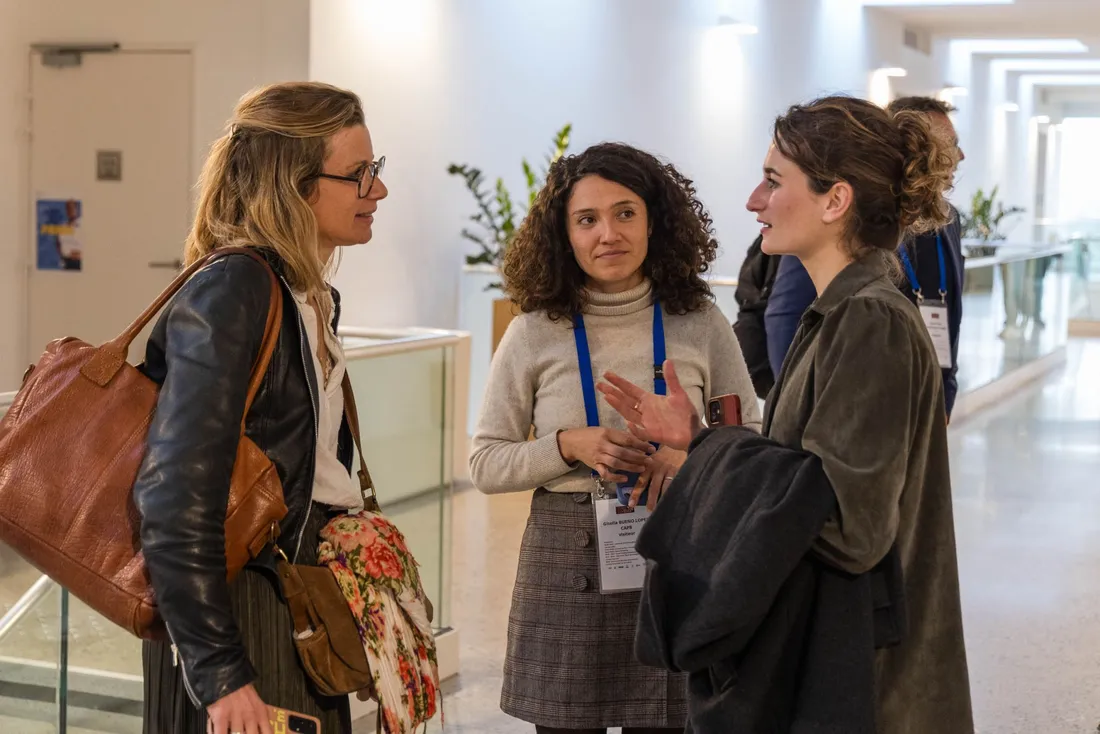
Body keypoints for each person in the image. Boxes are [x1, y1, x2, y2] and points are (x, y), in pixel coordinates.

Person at [599, 96, 973, 733]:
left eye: (773, 181)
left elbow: (849, 526)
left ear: (835, 201)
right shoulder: (841, 311)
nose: (754, 201)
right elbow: (807, 482)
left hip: (867, 684)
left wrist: (707, 451)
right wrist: (699, 442)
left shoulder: (868, 319)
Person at [469, 142, 761, 734]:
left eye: (625, 213)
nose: (608, 234)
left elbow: (748, 435)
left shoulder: (700, 321)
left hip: (677, 553)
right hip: (565, 566)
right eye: (587, 219)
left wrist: (688, 454)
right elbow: (486, 462)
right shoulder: (533, 331)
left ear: (655, 221)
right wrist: (566, 446)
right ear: (564, 234)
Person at [133, 81, 388, 734]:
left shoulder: (306, 297)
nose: (379, 191)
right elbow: (174, 493)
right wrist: (220, 673)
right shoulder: (233, 289)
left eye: (376, 170)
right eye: (360, 174)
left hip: (290, 596)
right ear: (294, 185)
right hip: (235, 612)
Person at [760, 95, 967, 419]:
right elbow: (786, 315)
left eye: (774, 182)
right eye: (950, 144)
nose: (959, 155)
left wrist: (945, 394)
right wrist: (791, 405)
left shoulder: (875, 316)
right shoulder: (865, 310)